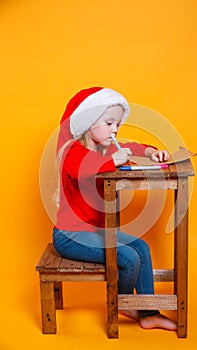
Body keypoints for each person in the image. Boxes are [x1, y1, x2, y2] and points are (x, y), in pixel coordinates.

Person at [53, 87, 177, 331]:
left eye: (118, 124)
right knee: (129, 258)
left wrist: (153, 152)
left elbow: (134, 146)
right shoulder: (71, 151)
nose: (115, 129)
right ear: (88, 123)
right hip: (70, 236)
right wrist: (115, 160)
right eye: (109, 122)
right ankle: (123, 302)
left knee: (141, 248)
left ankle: (149, 312)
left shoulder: (105, 148)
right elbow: (84, 169)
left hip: (96, 232)